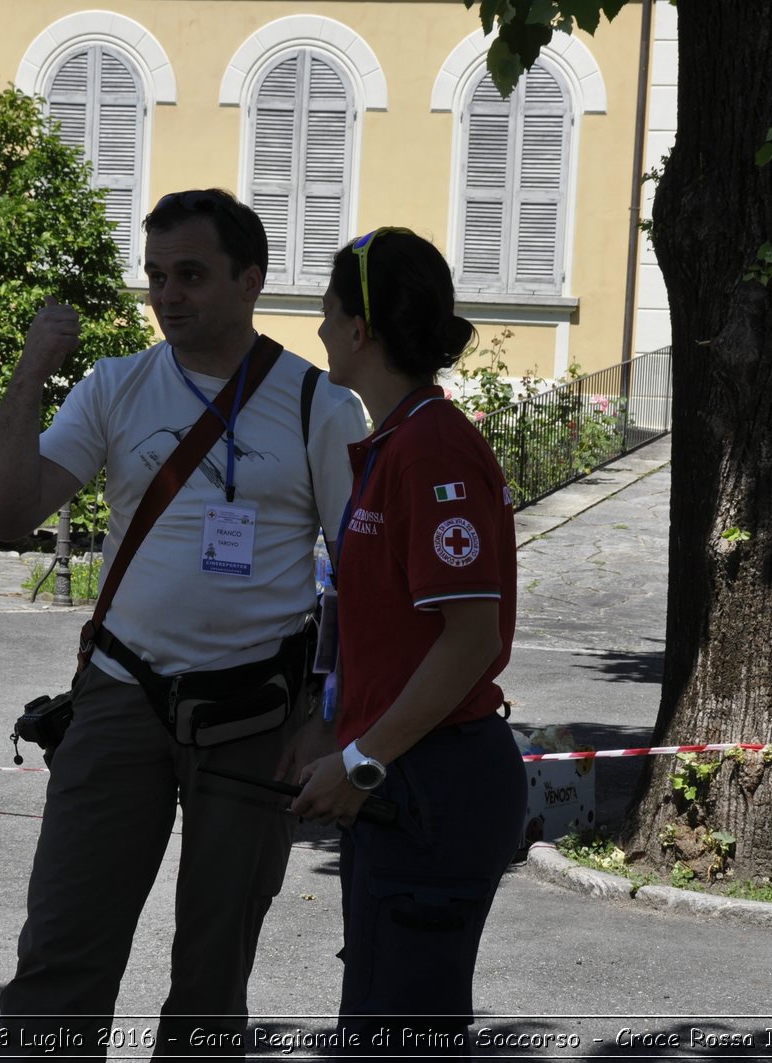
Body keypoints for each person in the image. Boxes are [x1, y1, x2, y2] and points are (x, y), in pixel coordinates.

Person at [0, 189, 367, 1057]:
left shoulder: (317, 406)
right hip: (120, 700)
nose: (167, 295)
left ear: (250, 279)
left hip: (257, 719)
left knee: (212, 970)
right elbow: (3, 516)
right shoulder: (115, 386)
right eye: (156, 276)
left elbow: (363, 577)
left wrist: (327, 712)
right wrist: (33, 368)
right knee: (62, 952)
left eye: (190, 274)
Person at [292, 228, 527, 1055]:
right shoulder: (399, 440)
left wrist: (363, 761)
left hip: (431, 779)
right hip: (407, 774)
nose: (316, 329)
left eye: (325, 312)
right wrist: (337, 735)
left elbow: (471, 640)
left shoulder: (430, 445)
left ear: (360, 329)